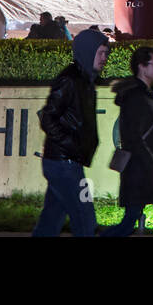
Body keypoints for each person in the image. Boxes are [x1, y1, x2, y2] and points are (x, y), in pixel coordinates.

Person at [32, 28, 110, 237]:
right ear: (87, 51)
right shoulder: (70, 80)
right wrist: (68, 144)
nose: (105, 58)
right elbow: (48, 117)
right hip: (64, 164)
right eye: (100, 52)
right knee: (85, 219)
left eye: (106, 53)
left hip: (67, 162)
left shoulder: (86, 80)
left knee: (51, 220)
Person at [100, 46, 153, 237]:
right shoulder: (136, 97)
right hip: (143, 170)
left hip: (141, 170)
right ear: (142, 67)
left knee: (131, 221)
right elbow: (135, 139)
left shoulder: (143, 94)